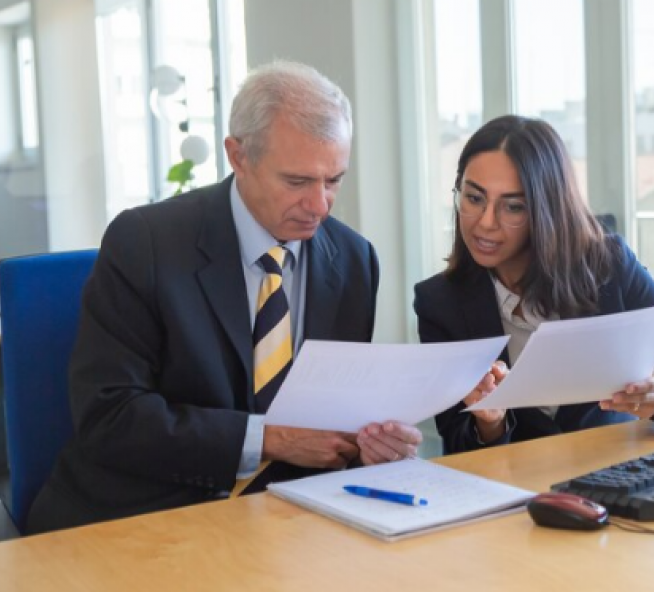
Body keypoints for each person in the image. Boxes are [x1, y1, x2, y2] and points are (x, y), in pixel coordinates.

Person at [27, 61, 421, 533]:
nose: (319, 205)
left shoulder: (353, 259)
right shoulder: (146, 243)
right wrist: (268, 440)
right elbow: (110, 417)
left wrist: (369, 444)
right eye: (297, 181)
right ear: (238, 156)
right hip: (146, 516)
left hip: (291, 521)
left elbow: (334, 411)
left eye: (334, 180)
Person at [414, 115, 654, 455]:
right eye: (474, 198)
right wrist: (490, 423)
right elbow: (456, 440)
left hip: (616, 475)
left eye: (513, 207)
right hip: (514, 490)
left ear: (546, 209)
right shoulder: (439, 302)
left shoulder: (610, 265)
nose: (486, 223)